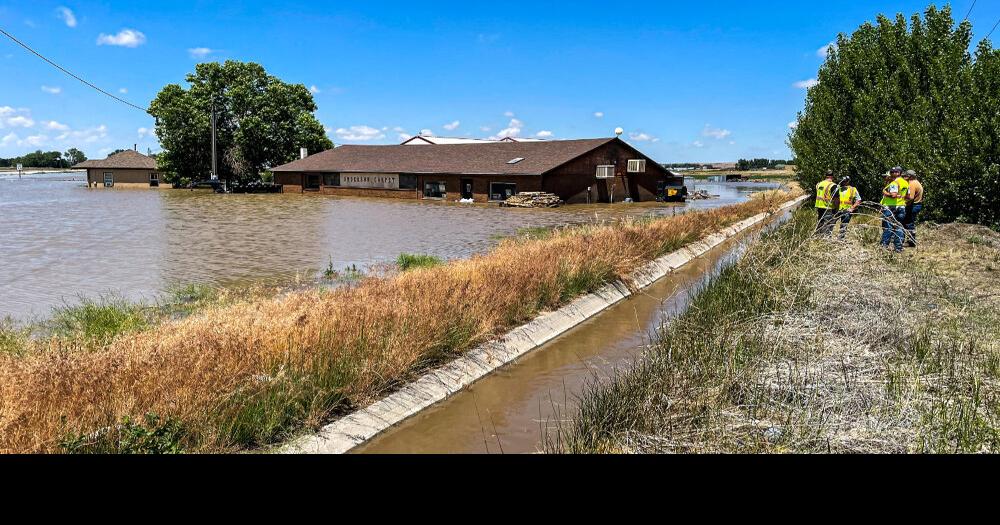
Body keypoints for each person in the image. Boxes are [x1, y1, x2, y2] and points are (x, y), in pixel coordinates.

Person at [880, 167, 909, 253]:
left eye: (894, 172)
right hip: (901, 206)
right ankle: (898, 248)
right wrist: (901, 199)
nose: (892, 173)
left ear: (898, 173)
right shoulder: (905, 183)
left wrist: (885, 193)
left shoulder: (894, 183)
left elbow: (893, 195)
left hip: (891, 207)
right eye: (891, 171)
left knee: (888, 227)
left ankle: (883, 246)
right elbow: (908, 196)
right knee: (898, 227)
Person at [903, 170, 924, 247]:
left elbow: (911, 197)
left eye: (906, 175)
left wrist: (903, 203)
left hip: (913, 206)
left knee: (908, 223)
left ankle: (911, 242)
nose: (905, 177)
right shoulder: (917, 182)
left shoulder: (912, 184)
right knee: (909, 223)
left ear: (910, 176)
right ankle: (911, 241)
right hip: (917, 205)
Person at [815, 170, 836, 235]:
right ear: (832, 177)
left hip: (819, 206)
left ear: (826, 176)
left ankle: (818, 236)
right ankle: (826, 238)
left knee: (820, 222)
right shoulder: (833, 185)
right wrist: (836, 208)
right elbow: (836, 199)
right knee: (828, 224)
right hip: (828, 207)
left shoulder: (819, 184)